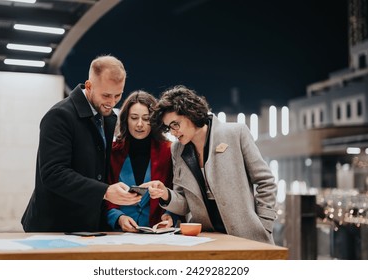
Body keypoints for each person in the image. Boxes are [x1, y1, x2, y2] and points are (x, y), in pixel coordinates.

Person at [21, 55, 141, 232]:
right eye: (106, 95)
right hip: (53, 225)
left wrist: (115, 209)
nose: (112, 102)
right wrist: (105, 191)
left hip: (87, 225)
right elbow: (53, 174)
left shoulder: (108, 118)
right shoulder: (59, 116)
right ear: (89, 86)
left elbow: (98, 172)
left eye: (118, 95)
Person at [146, 85, 278, 244]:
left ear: (190, 113)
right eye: (169, 127)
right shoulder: (177, 150)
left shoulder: (235, 133)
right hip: (206, 238)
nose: (173, 132)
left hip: (248, 236)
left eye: (175, 124)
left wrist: (264, 224)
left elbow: (266, 181)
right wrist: (165, 194)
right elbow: (184, 204)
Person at [106, 90, 177, 232]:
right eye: (134, 117)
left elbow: (176, 192)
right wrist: (118, 217)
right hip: (117, 235)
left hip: (157, 236)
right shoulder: (112, 152)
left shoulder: (168, 151)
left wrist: (170, 216)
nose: (140, 124)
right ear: (126, 119)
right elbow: (104, 193)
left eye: (146, 118)